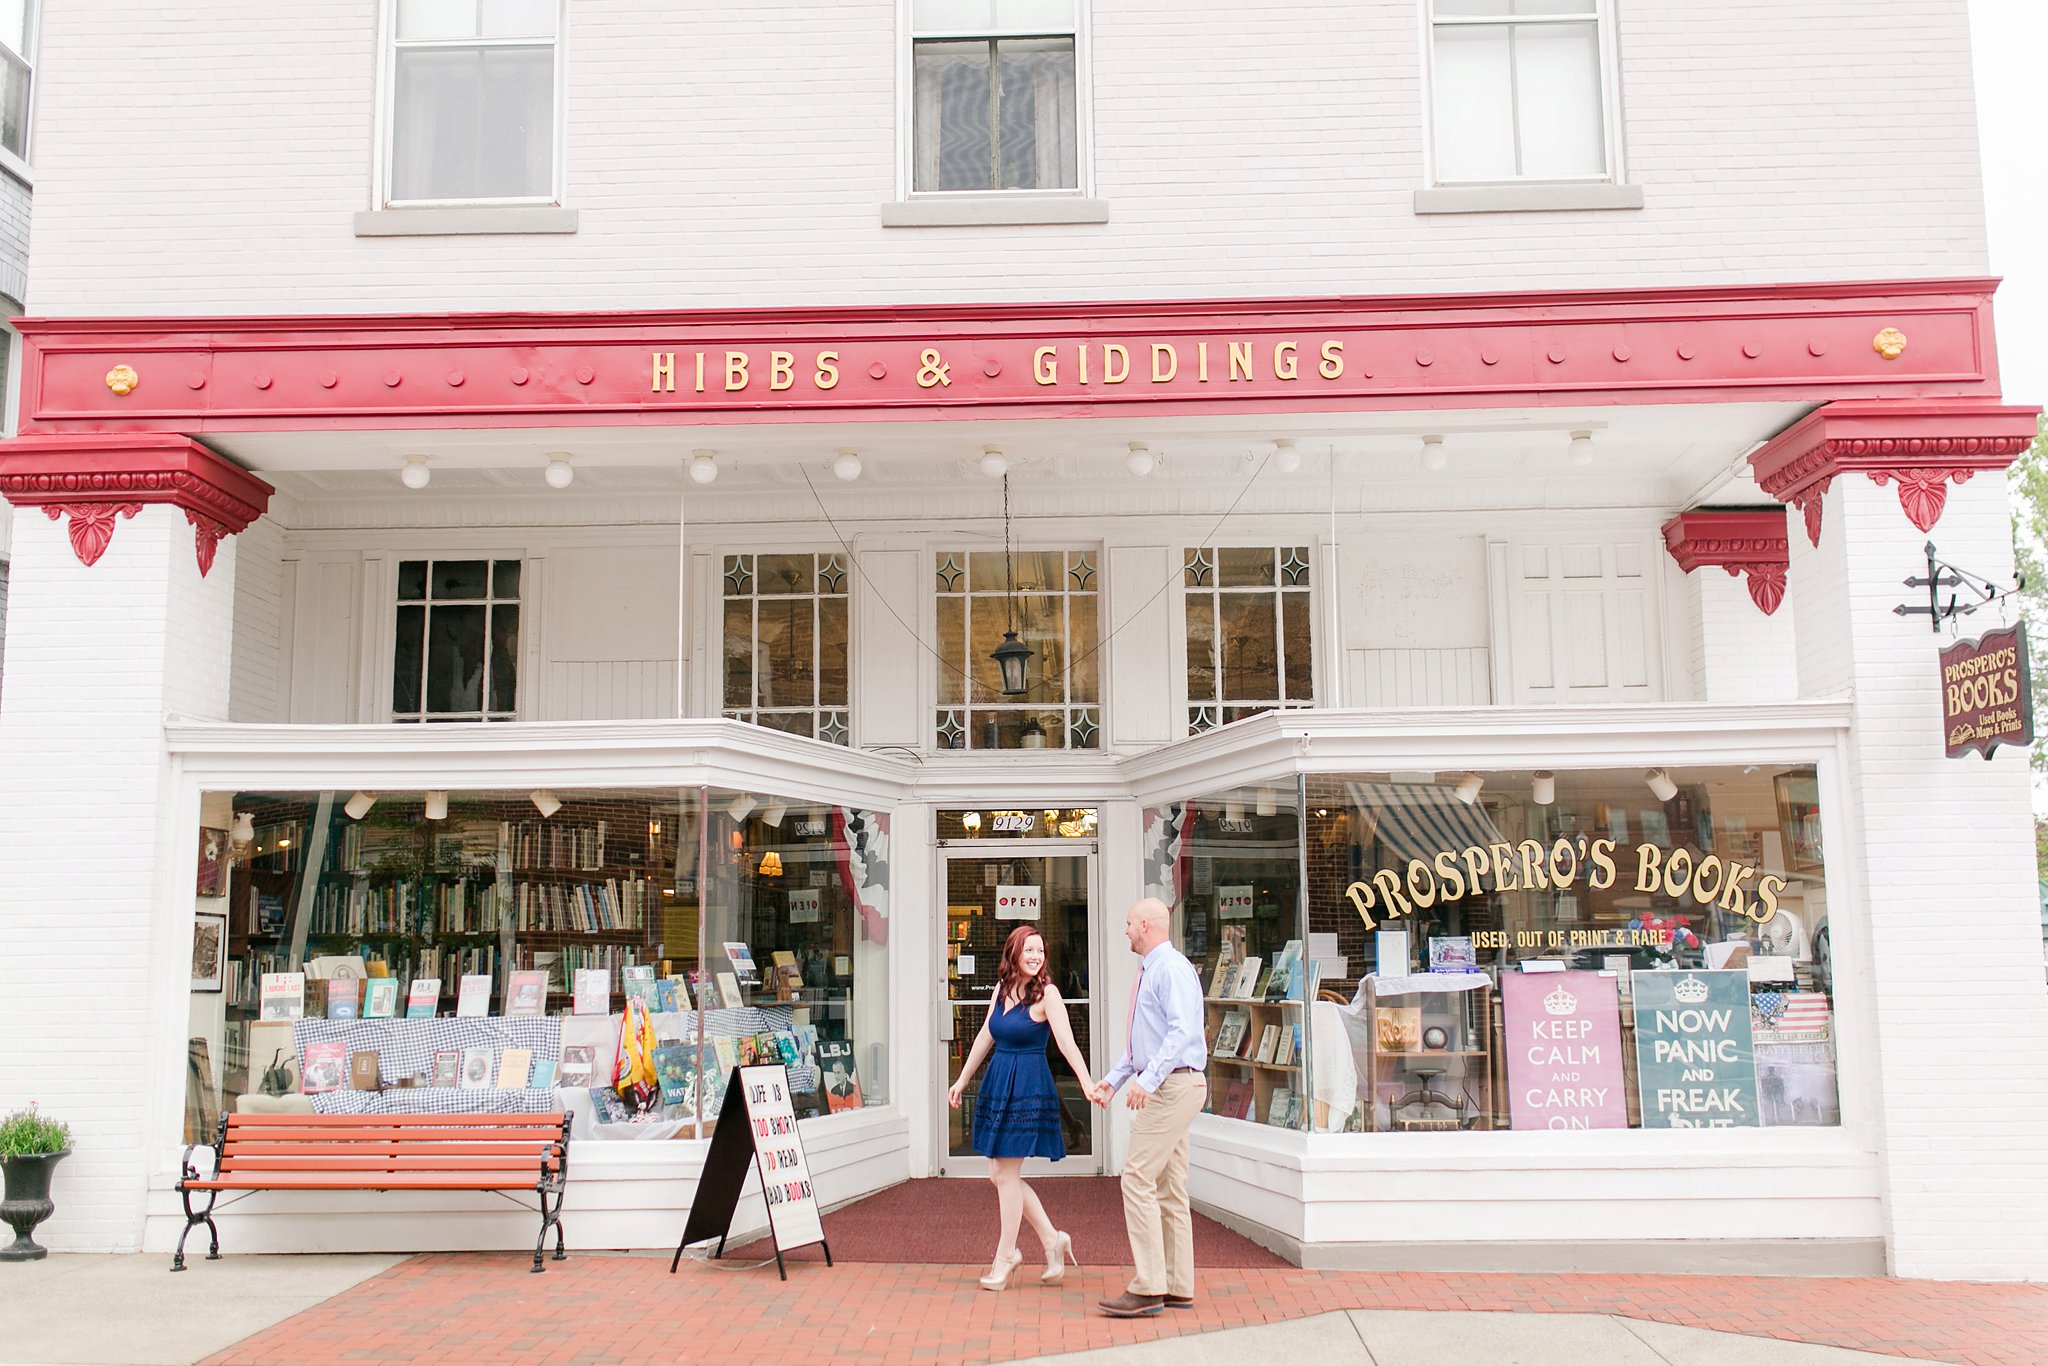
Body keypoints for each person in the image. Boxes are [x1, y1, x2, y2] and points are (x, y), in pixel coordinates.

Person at [948, 924, 1099, 1290]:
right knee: (1000, 1176)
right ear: (1014, 953)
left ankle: (1007, 1255)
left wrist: (1087, 1082)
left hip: (1028, 1088)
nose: (1035, 956)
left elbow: (1067, 1044)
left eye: (1040, 951)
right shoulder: (1002, 990)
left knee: (1006, 1176)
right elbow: (986, 1035)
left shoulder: (1048, 995)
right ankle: (1052, 1240)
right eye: (1028, 950)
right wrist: (963, 1079)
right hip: (1000, 1082)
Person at [1089, 896, 1209, 1318]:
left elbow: (1181, 1031)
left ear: (1145, 924)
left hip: (1173, 1086)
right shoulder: (1155, 969)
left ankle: (1148, 1286)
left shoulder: (1170, 968)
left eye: (1127, 924)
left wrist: (1149, 1079)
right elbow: (1147, 1041)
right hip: (1174, 1084)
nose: (1124, 931)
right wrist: (1115, 1079)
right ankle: (1177, 1286)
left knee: (1136, 1177)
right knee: (1170, 1187)